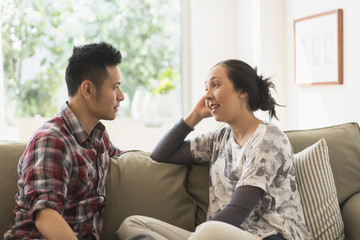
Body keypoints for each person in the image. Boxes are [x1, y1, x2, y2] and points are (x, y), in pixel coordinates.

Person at [117, 59, 311, 240]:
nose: (207, 95)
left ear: (242, 91)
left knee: (209, 230)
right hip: (216, 235)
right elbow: (161, 154)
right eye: (206, 88)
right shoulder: (219, 138)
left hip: (270, 236)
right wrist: (194, 116)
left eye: (216, 85)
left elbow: (238, 209)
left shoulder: (269, 138)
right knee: (132, 224)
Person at [4, 42, 125, 240]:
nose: (122, 96)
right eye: (115, 87)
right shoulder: (52, 140)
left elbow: (134, 157)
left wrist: (188, 124)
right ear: (87, 90)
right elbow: (46, 215)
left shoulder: (98, 137)